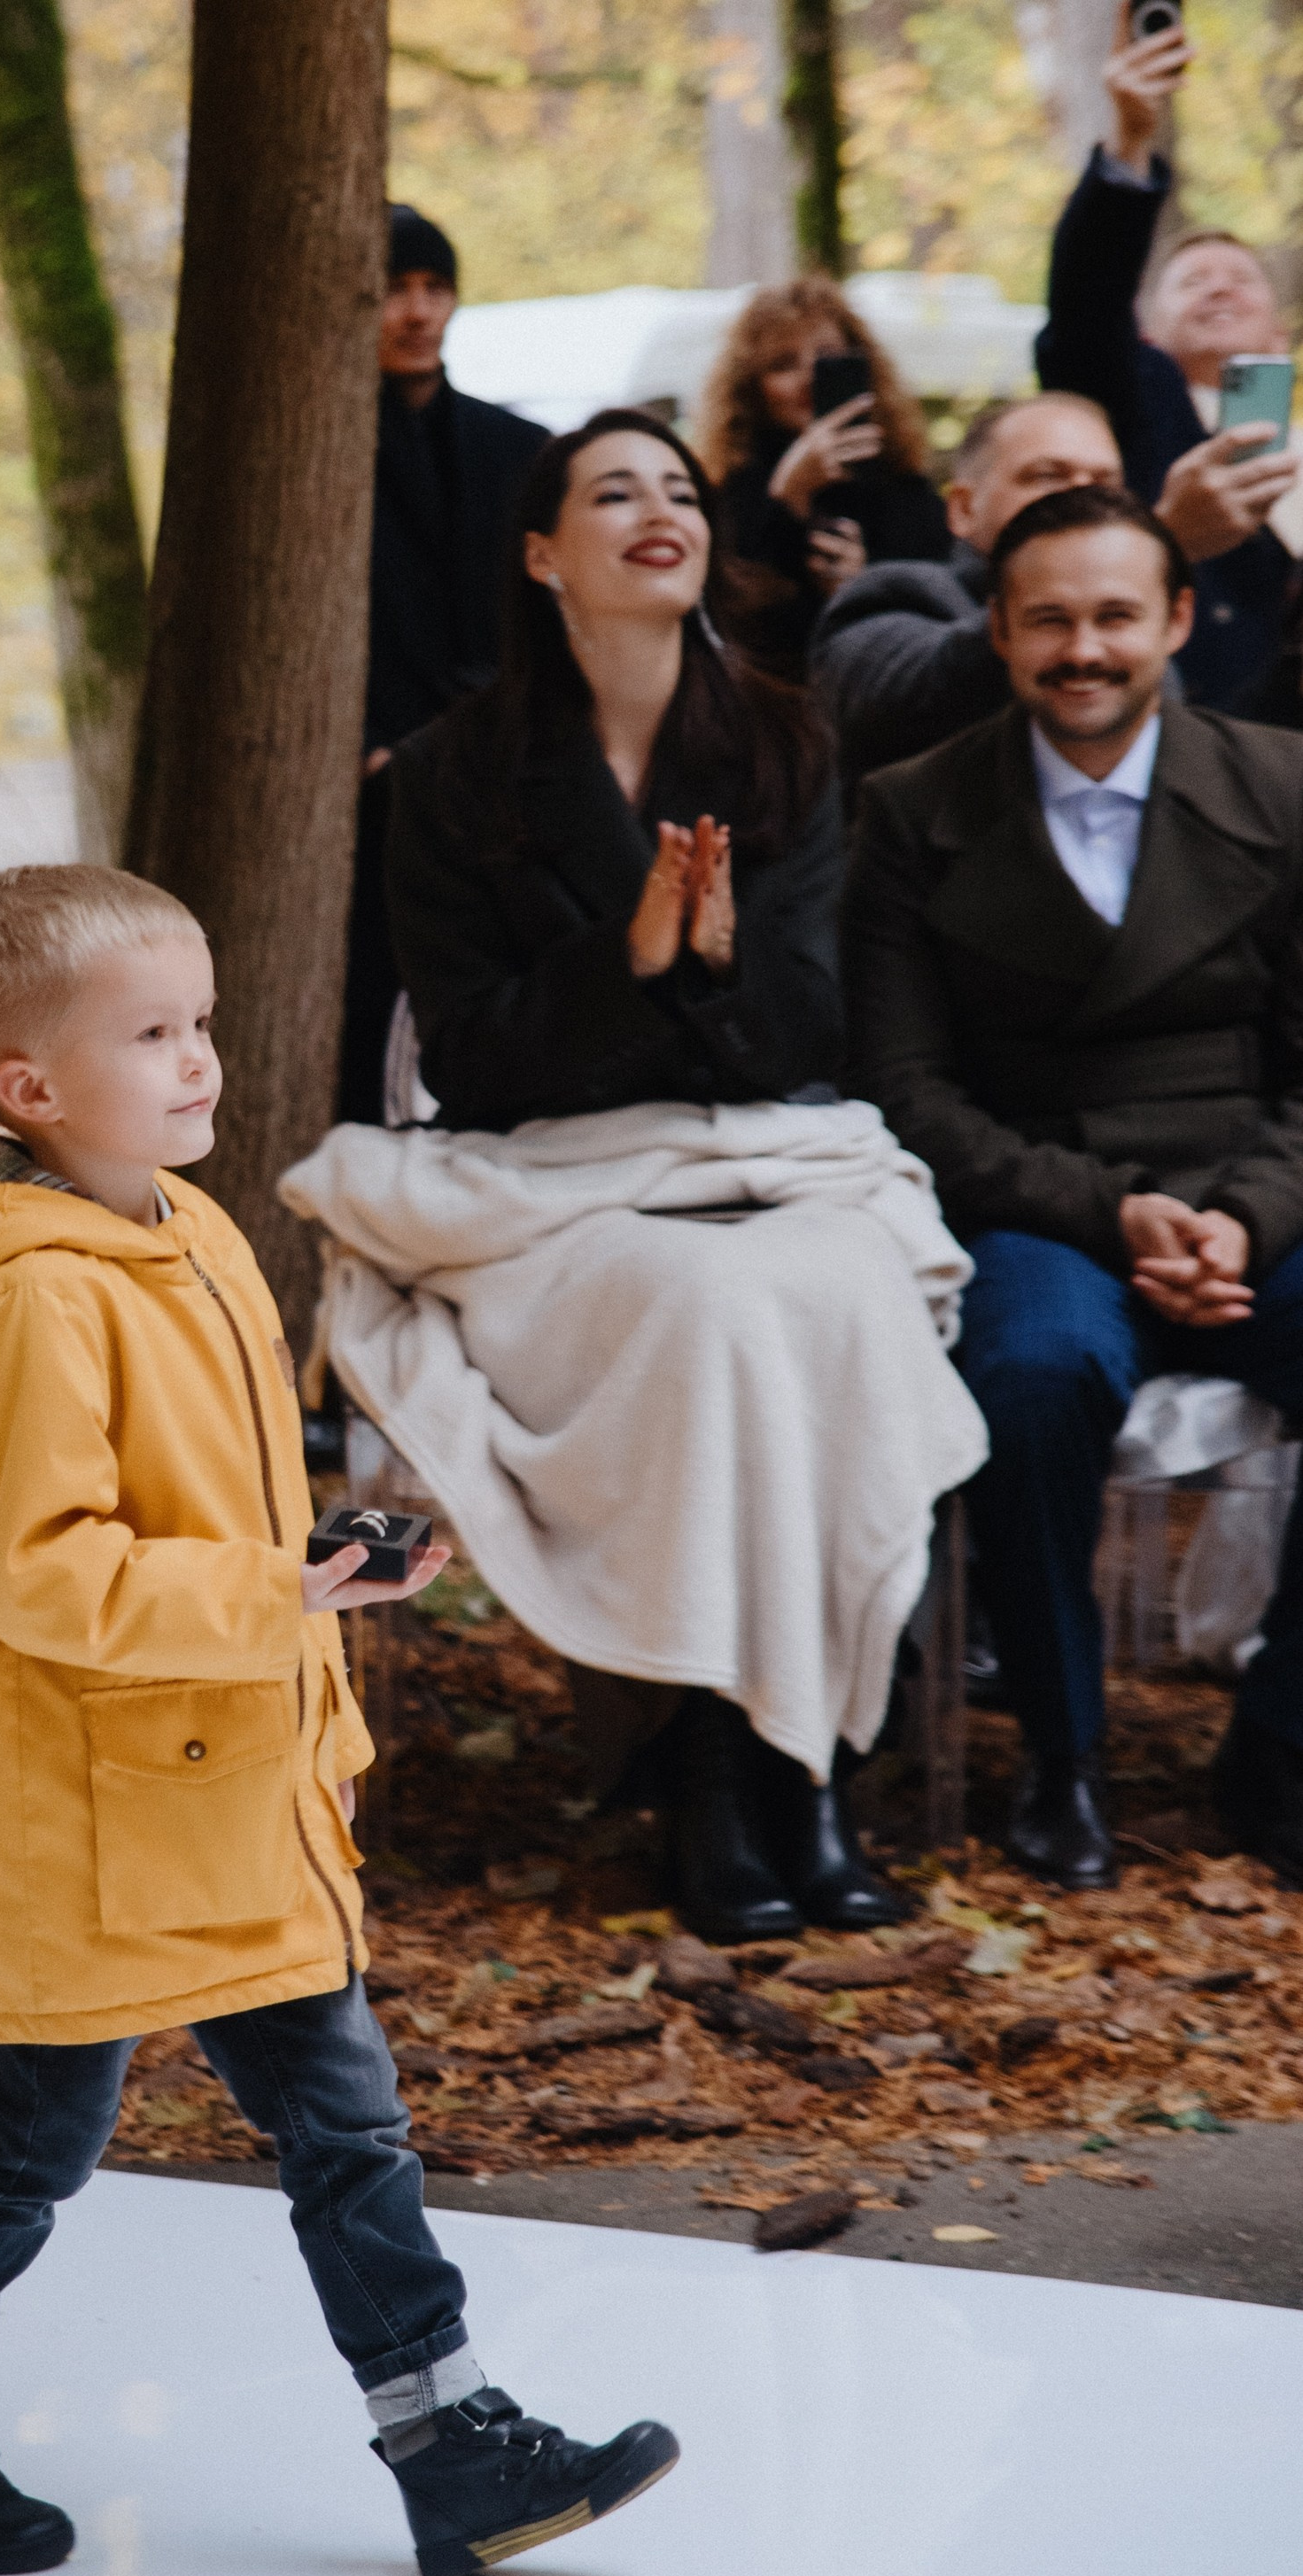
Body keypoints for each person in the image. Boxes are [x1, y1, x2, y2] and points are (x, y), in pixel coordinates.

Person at [0, 863, 678, 2576]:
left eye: (198, 1023)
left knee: (342, 2125)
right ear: (23, 1087)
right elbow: (37, 1575)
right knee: (27, 2146)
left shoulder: (177, 1224)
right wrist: (275, 1593)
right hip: (95, 1832)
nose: (200, 1062)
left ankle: (451, 2450)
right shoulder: (30, 1294)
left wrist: (315, 1559)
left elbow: (215, 1486)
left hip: (226, 1794)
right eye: (151, 1035)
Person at [352, 408, 987, 1944]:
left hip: (762, 1149)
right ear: (538, 552)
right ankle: (715, 1773)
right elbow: (475, 1057)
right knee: (702, 1309)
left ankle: (811, 1770)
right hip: (548, 1174)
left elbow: (813, 1028)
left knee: (829, 1293)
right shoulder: (448, 773)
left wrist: (709, 969)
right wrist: (622, 962)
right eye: (612, 491)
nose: (660, 511)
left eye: (681, 493)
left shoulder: (785, 740)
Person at [845, 485, 1303, 1894]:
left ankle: (1282, 1740)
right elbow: (909, 1094)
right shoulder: (911, 813)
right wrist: (1109, 1215)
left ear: (1174, 619)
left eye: (1113, 615)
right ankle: (1063, 1756)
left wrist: (1239, 1217)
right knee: (1032, 1376)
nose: (1081, 649)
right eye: (1046, 618)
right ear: (994, 630)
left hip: (1251, 1188)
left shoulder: (1283, 785)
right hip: (1043, 1200)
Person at [336, 206, 549, 1125]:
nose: (415, 312)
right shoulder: (318, 458)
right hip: (363, 796)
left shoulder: (519, 452)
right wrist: (371, 750)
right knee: (363, 1021)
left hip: (500, 782)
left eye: (432, 288)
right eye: (393, 290)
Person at [1035, 0, 1302, 709]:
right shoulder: (1137, 404)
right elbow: (1084, 314)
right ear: (1148, 328)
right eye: (1191, 281)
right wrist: (1129, 138)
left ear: (1280, 335)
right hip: (1205, 729)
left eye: (1238, 278)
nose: (1217, 288)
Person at [811, 391, 1124, 795]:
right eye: (1047, 476)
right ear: (963, 508)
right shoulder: (891, 594)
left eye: (1105, 484)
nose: (1084, 500)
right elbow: (915, 701)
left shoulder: (1139, 626)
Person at [696, 275, 950, 682]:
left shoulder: (902, 488)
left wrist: (861, 586)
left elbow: (936, 613)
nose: (808, 377)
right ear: (752, 387)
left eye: (826, 356)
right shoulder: (728, 496)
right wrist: (786, 502)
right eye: (783, 363)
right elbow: (732, 622)